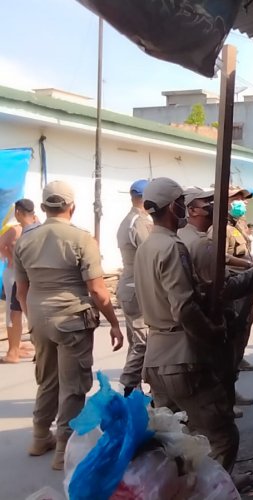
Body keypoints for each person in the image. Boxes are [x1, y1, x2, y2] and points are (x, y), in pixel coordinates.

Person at [15, 181, 124, 470]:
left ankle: (40, 436)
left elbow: (20, 292)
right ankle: (64, 449)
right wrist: (114, 323)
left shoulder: (25, 240)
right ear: (71, 207)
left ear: (42, 207)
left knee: (47, 379)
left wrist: (32, 319)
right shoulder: (81, 239)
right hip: (72, 319)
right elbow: (99, 291)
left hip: (38, 316)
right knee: (73, 385)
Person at [135, 178, 238, 471]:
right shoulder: (172, 246)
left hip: (156, 355)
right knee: (222, 437)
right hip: (182, 357)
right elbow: (184, 308)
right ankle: (215, 490)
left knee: (174, 441)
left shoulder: (147, 246)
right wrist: (213, 334)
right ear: (172, 206)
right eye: (182, 201)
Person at [177, 187, 253, 416]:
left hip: (233, 286)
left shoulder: (235, 227)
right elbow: (218, 276)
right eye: (237, 199)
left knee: (235, 344)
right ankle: (222, 400)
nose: (241, 203)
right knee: (223, 350)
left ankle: (228, 390)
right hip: (228, 289)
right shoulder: (204, 238)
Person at [116, 180, 153, 396]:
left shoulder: (131, 219)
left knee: (136, 344)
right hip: (136, 287)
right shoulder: (139, 221)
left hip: (130, 286)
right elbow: (150, 253)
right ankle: (127, 389)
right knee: (143, 344)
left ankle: (134, 394)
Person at [0, 199, 39, 363]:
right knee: (29, 312)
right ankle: (32, 348)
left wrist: (13, 260)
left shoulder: (18, 230)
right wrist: (11, 258)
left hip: (20, 275)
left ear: (17, 213)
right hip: (31, 274)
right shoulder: (40, 228)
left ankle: (14, 352)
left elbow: (1, 245)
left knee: (15, 312)